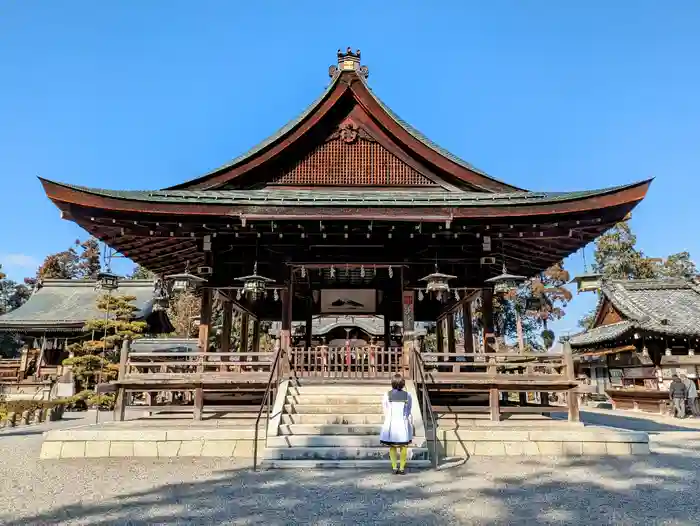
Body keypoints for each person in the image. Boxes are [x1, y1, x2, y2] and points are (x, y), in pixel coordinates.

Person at [380, 374, 413, 474]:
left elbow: (385, 408)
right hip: (402, 422)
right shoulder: (408, 395)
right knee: (404, 446)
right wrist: (405, 417)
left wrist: (388, 417)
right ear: (403, 383)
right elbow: (408, 409)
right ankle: (402, 468)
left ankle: (394, 467)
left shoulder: (387, 394)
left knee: (392, 446)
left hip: (391, 421)